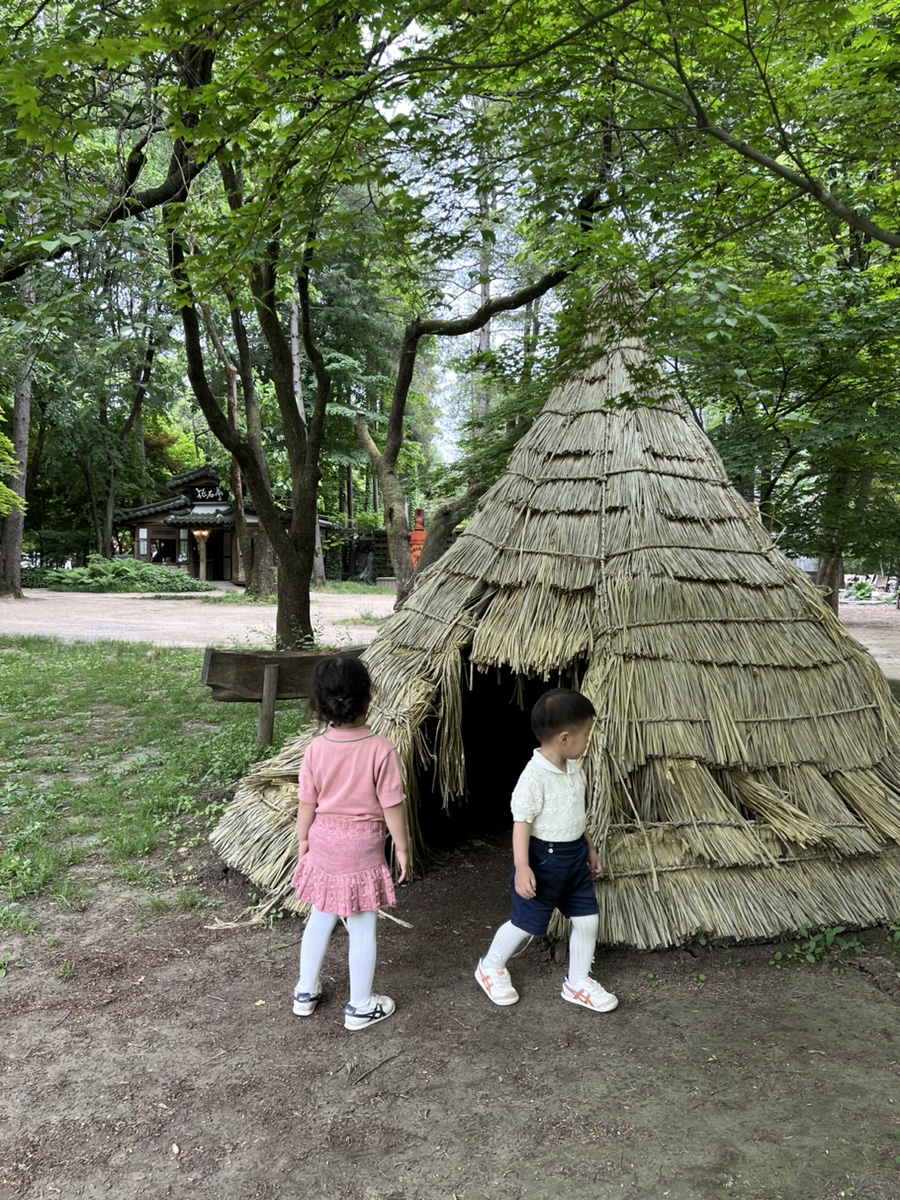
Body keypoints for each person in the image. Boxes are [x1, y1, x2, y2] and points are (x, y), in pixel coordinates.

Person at [475, 688, 618, 1013]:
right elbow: (521, 823)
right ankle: (491, 966)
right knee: (525, 923)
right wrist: (522, 866)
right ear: (565, 738)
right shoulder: (533, 777)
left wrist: (590, 849)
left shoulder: (574, 770)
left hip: (574, 860)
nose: (587, 742)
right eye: (585, 735)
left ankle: (578, 981)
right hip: (543, 861)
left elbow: (576, 814)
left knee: (587, 920)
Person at [290, 653, 409, 1031]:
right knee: (361, 926)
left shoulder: (316, 748)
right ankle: (360, 1007)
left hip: (323, 842)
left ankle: (304, 993)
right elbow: (392, 805)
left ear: (320, 703)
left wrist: (302, 840)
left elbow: (306, 801)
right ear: (368, 697)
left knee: (320, 917)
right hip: (362, 847)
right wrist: (403, 849)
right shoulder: (380, 749)